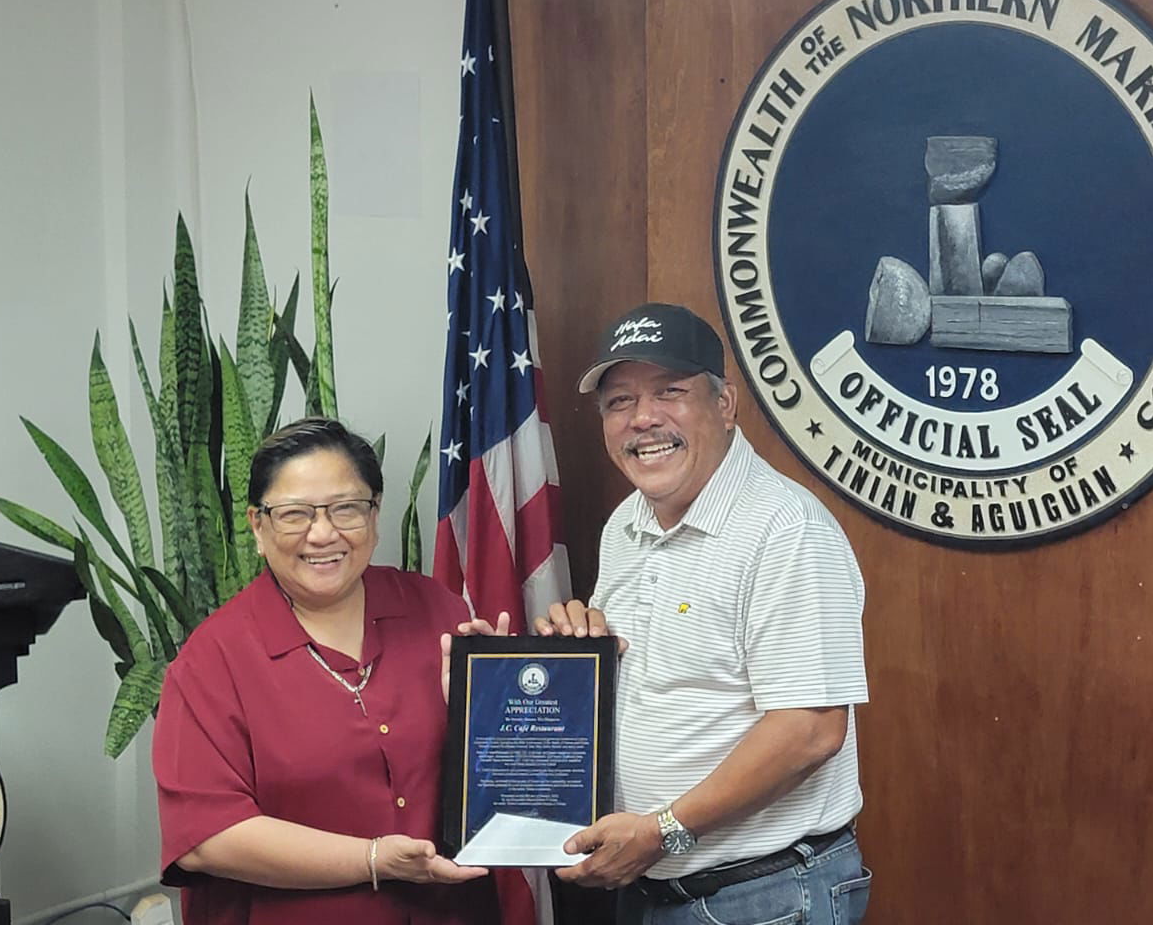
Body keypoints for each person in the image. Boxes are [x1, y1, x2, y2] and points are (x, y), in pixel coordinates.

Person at [537, 302, 871, 924]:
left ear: (725, 404)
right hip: (652, 890)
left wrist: (663, 831)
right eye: (619, 402)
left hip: (764, 898)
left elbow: (811, 730)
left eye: (670, 391)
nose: (643, 419)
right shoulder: (626, 523)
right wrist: (575, 655)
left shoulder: (785, 529)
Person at [153, 416, 506, 925]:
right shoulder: (212, 662)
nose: (323, 534)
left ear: (375, 514)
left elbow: (505, 774)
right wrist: (374, 859)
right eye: (295, 514)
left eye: (346, 509)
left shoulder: (439, 611)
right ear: (257, 525)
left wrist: (497, 711)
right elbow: (207, 840)